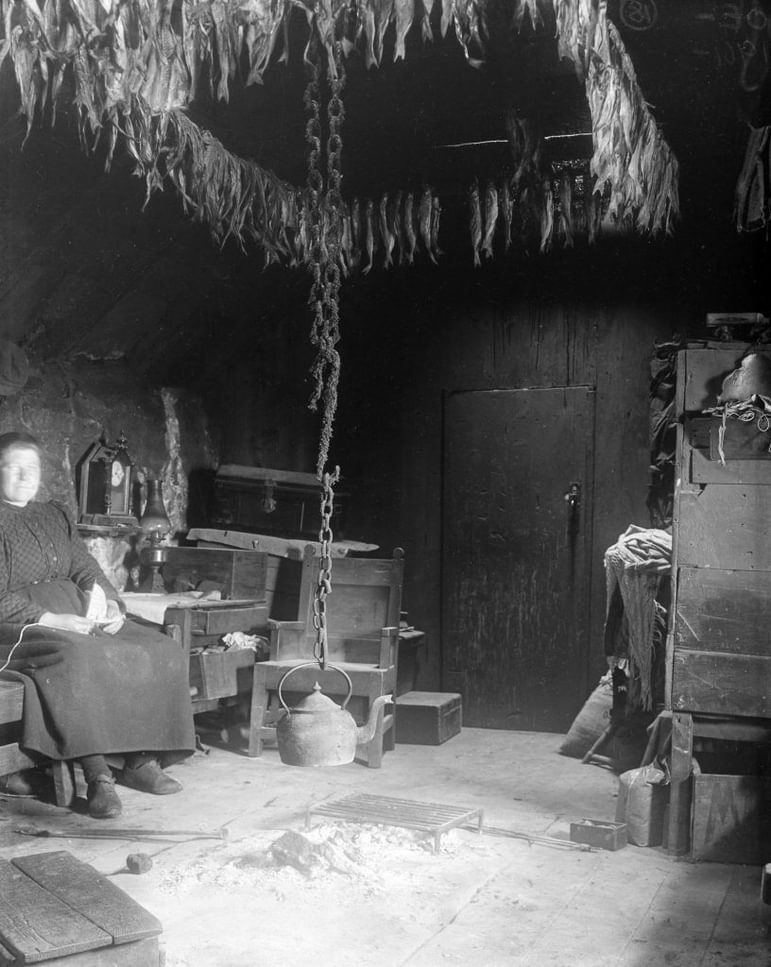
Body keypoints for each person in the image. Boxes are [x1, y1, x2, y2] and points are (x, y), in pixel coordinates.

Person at [0, 431, 195, 818]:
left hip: (76, 613)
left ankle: (140, 761)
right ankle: (98, 776)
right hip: (17, 625)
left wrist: (109, 605)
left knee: (159, 647)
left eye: (32, 468)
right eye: (13, 468)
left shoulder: (52, 514)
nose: (25, 477)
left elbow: (84, 568)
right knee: (77, 656)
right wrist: (51, 619)